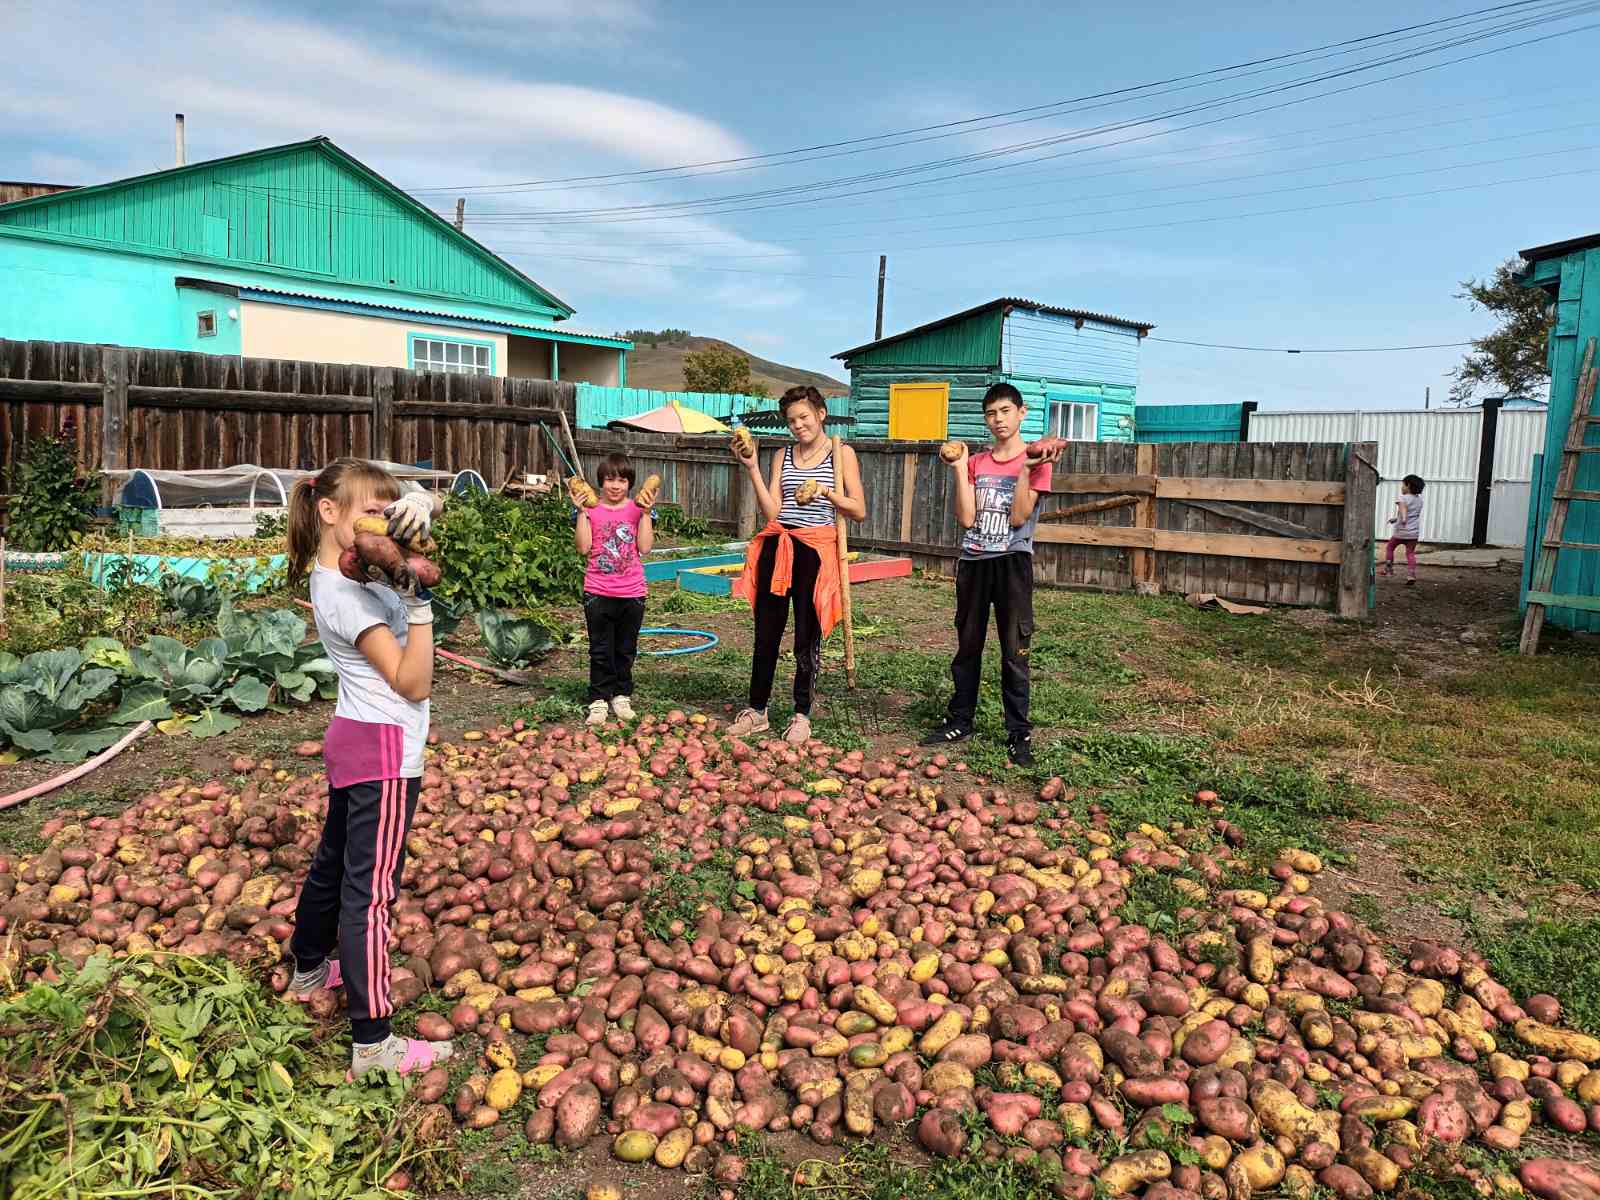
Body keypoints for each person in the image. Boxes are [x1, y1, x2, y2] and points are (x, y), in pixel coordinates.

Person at [283, 458, 453, 1079]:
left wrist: (423, 504)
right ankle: (374, 1043)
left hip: (354, 736)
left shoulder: (348, 568)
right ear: (328, 512)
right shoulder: (348, 595)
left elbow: (419, 527)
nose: (383, 523)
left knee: (333, 863)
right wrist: (423, 601)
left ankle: (308, 968)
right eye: (371, 511)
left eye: (389, 511)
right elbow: (412, 681)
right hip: (384, 749)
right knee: (371, 892)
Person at [922, 383, 1063, 767]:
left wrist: (1024, 473)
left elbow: (1019, 517)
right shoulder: (975, 462)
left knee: (1014, 651)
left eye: (1004, 411)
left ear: (1021, 412)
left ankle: (1019, 733)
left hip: (1011, 563)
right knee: (967, 646)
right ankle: (960, 721)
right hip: (973, 561)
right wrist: (957, 470)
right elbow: (967, 519)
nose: (998, 419)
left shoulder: (1039, 460)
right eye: (991, 413)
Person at [727, 386, 865, 744]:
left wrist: (825, 492)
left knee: (807, 634)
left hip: (815, 550)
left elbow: (859, 510)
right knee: (766, 631)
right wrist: (753, 467)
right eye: (791, 420)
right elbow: (772, 511)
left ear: (821, 414)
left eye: (804, 416)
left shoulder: (841, 454)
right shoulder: (782, 455)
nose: (798, 424)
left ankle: (801, 714)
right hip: (779, 544)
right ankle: (757, 711)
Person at [575, 453, 655, 726]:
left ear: (630, 483)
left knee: (625, 648)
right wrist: (582, 513)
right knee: (599, 649)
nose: (616, 485)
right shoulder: (592, 508)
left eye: (622, 480)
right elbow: (583, 548)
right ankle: (598, 699)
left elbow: (645, 548)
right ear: (601, 482)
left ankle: (621, 695)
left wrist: (645, 514)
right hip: (598, 591)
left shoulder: (637, 509)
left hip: (632, 592)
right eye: (610, 479)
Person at [1382, 474, 1426, 585]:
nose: (1401, 487)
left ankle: (1388, 569)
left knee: (1390, 547)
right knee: (1410, 553)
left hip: (1401, 532)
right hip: (1413, 533)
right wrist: (1396, 519)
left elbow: (1403, 509)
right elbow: (1411, 514)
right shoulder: (1419, 500)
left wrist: (1403, 518)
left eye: (1403, 485)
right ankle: (1411, 574)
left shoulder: (1403, 498)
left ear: (1408, 485)